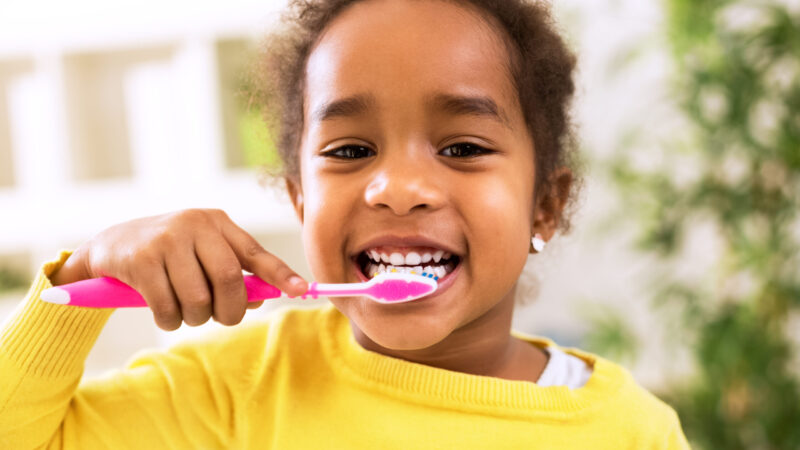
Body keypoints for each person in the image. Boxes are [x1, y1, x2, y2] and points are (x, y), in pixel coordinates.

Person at [0, 0, 690, 448]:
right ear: (300, 200)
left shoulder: (629, 432)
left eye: (462, 148)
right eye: (351, 151)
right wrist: (82, 274)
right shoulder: (235, 391)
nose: (398, 189)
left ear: (546, 205)